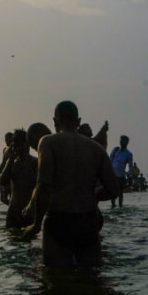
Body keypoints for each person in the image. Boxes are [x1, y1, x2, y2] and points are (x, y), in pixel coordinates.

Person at [27, 100, 119, 268]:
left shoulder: (48, 142)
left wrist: (36, 224)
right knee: (91, 281)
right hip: (88, 222)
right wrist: (95, 195)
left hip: (58, 220)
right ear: (78, 121)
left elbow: (44, 184)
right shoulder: (96, 148)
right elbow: (114, 189)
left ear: (55, 121)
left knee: (55, 283)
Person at [0, 128, 36, 230]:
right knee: (11, 240)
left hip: (28, 211)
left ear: (27, 145)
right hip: (13, 212)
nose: (17, 149)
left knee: (28, 242)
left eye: (20, 145)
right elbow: (2, 181)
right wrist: (9, 163)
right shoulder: (12, 163)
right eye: (14, 146)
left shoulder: (34, 163)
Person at [108, 135, 133, 207]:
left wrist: (130, 176)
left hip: (121, 175)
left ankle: (120, 207)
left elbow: (130, 166)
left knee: (120, 193)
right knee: (112, 192)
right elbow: (109, 161)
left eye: (122, 141)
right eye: (120, 141)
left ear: (126, 143)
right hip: (113, 174)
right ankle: (113, 206)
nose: (121, 142)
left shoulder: (128, 154)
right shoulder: (115, 150)